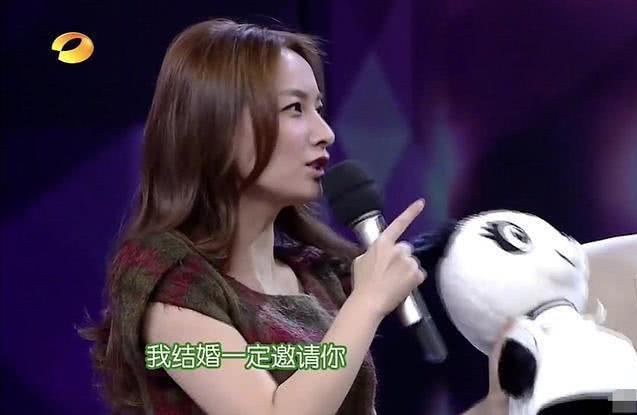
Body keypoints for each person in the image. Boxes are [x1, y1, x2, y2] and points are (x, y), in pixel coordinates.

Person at [80, 18, 428, 415]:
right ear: (219, 128)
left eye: (318, 108)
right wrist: (366, 303)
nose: (325, 133)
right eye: (295, 109)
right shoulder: (169, 281)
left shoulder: (316, 277)